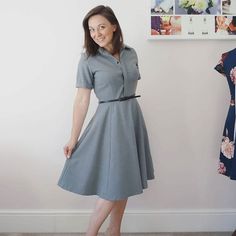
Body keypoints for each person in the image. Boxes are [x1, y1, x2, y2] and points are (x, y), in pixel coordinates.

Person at [57, 5, 155, 236]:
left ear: (114, 26)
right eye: (91, 29)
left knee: (125, 180)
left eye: (101, 27)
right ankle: (91, 233)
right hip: (109, 122)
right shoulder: (88, 60)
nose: (96, 33)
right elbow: (82, 100)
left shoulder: (131, 53)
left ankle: (114, 231)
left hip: (131, 117)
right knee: (114, 183)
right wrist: (73, 138)